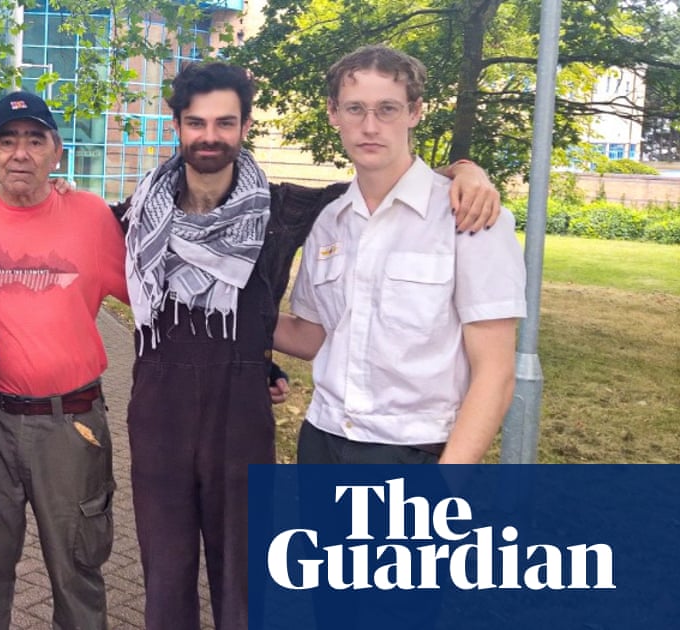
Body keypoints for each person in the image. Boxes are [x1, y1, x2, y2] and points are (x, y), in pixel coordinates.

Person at [118, 61, 502, 630]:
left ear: (245, 126)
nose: (210, 136)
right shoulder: (136, 216)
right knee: (167, 572)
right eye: (196, 122)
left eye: (225, 122)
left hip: (248, 416)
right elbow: (51, 223)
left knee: (246, 577)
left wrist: (466, 171)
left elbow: (387, 180)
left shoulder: (287, 210)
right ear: (176, 125)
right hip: (165, 411)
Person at [274, 45, 526, 466]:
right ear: (333, 113)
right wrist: (223, 309)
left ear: (415, 112)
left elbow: (495, 374)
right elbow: (310, 337)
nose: (370, 126)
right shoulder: (330, 222)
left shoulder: (469, 217)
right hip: (322, 441)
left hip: (413, 454)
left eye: (387, 109)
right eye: (355, 109)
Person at [0, 91, 129, 630]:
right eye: (7, 141)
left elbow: (153, 303)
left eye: (35, 140)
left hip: (71, 425)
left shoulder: (92, 215)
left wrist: (258, 361)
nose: (20, 153)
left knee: (77, 570)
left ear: (57, 153)